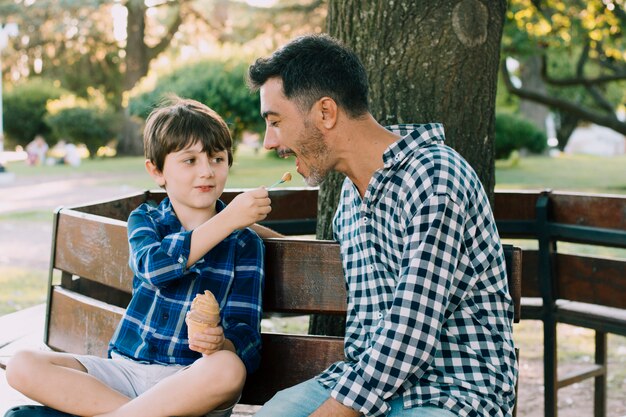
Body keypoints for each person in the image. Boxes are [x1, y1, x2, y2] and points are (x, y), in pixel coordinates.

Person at [247, 34, 517, 417]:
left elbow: (410, 333)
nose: (269, 141)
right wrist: (230, 223)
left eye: (275, 122)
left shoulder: (435, 178)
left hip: (454, 392)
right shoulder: (351, 198)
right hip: (368, 384)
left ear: (326, 112)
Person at [5, 97, 272, 417]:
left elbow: (247, 341)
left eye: (217, 158)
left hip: (189, 385)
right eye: (190, 160)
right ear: (156, 170)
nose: (207, 171)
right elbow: (155, 268)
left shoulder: (245, 244)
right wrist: (227, 220)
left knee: (229, 369)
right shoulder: (146, 221)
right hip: (124, 372)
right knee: (21, 365)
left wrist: (220, 343)